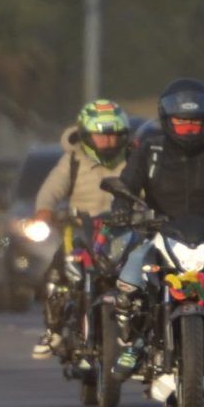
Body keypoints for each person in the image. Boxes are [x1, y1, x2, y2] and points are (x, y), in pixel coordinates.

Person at [109, 79, 204, 385]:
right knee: (128, 281)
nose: (189, 129)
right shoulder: (149, 152)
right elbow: (126, 185)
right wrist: (122, 208)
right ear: (167, 121)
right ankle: (132, 345)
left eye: (195, 124)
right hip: (157, 233)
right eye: (182, 123)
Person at [31, 101, 136, 360]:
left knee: (142, 278)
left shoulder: (135, 160)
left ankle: (141, 336)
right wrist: (45, 211)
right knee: (56, 275)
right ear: (87, 136)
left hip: (124, 232)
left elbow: (151, 191)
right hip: (80, 230)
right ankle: (53, 329)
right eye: (101, 135)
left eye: (113, 135)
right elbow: (52, 188)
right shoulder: (73, 160)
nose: (108, 141)